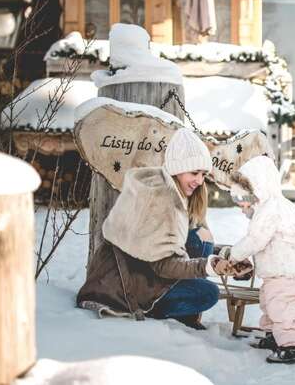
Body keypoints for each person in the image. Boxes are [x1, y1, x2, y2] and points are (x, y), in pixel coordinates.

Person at [77, 128, 244, 330]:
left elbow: (177, 245)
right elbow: (163, 266)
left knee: (201, 237)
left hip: (146, 273)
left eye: (202, 174)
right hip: (125, 285)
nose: (200, 181)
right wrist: (208, 266)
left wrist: (228, 257)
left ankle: (183, 314)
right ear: (177, 169)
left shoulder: (177, 192)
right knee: (208, 293)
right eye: (194, 173)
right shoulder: (160, 200)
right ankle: (160, 311)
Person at [225, 155, 295, 364]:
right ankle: (274, 336)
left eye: (246, 198)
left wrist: (234, 254)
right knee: (269, 302)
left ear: (260, 188)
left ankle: (294, 346)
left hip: (288, 273)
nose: (245, 205)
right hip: (278, 273)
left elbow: (256, 239)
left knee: (281, 308)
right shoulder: (269, 207)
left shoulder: (272, 208)